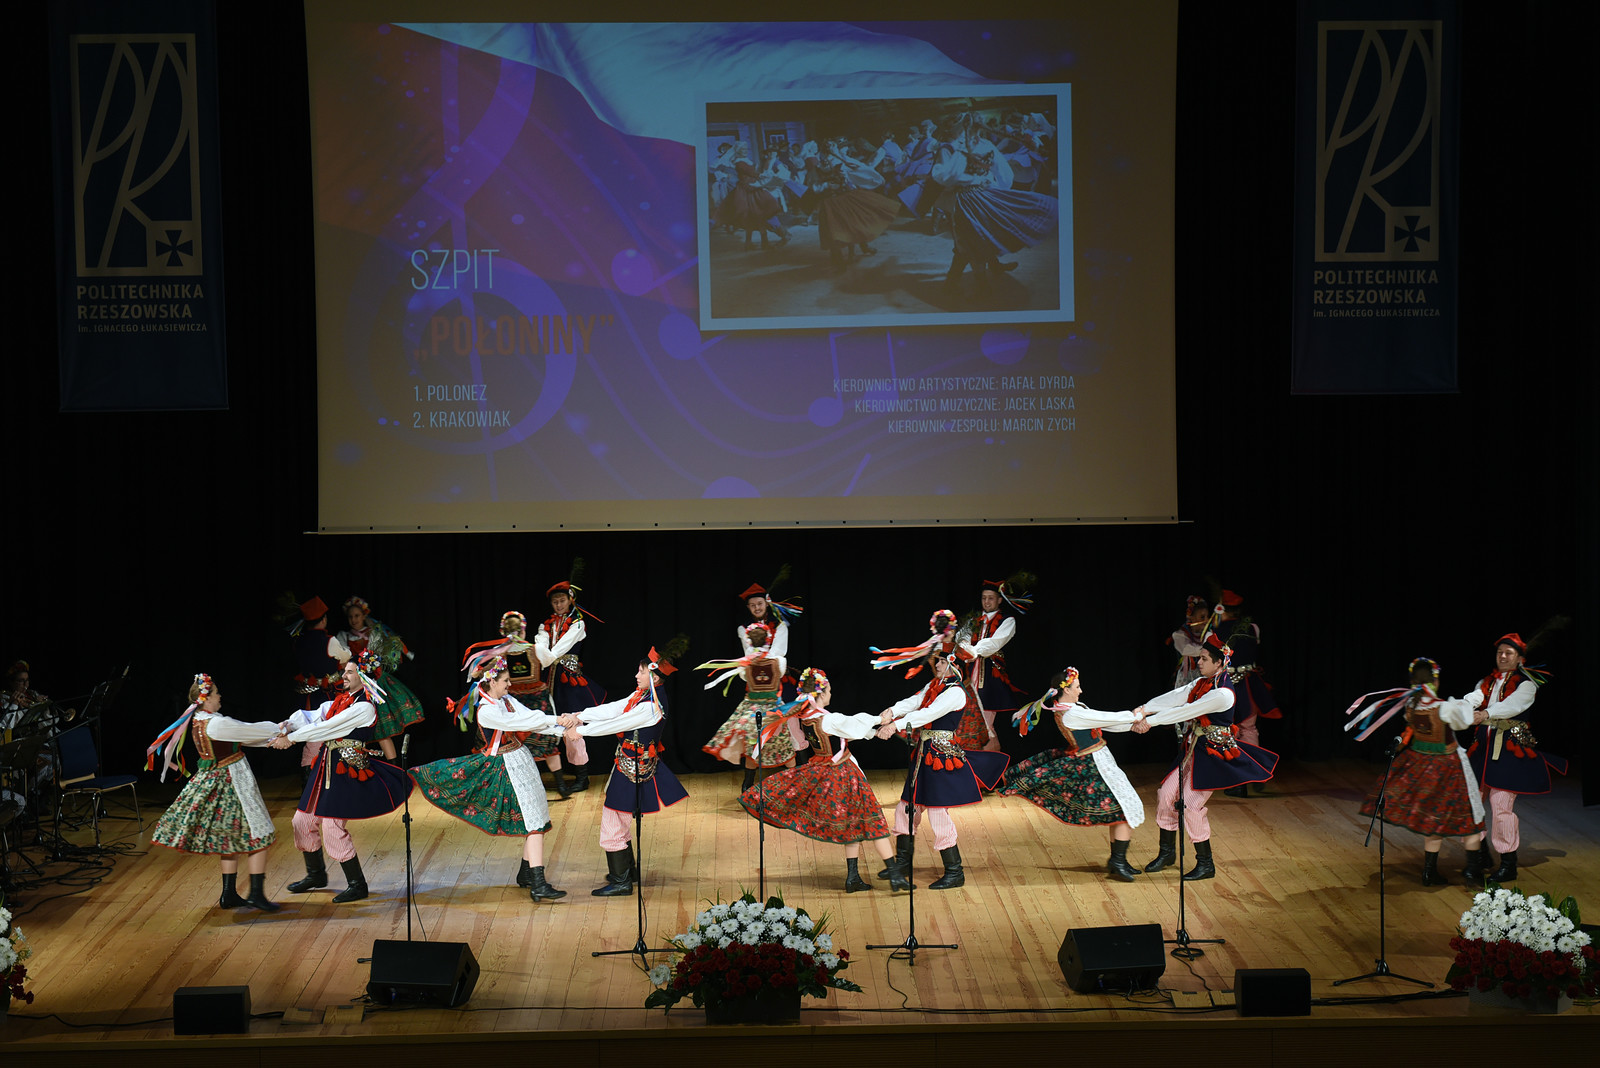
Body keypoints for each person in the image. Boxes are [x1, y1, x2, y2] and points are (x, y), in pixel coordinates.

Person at [737, 667, 911, 892]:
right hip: (844, 774)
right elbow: (853, 723)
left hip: (824, 771)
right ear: (820, 694)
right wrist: (880, 719)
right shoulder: (829, 719)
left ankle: (853, 877)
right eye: (828, 690)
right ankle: (894, 875)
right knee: (873, 820)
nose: (830, 693)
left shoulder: (807, 717)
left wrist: (872, 733)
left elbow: (842, 733)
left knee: (852, 825)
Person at [411, 654, 568, 902]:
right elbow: (520, 721)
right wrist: (557, 720)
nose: (510, 685)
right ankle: (538, 883)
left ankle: (526, 874)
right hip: (507, 767)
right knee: (534, 823)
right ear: (492, 682)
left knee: (537, 816)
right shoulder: (487, 711)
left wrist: (563, 727)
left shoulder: (506, 700)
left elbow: (531, 716)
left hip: (520, 760)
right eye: (505, 681)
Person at [1131, 634, 1279, 880]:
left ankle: (1205, 863)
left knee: (1190, 804)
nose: (1198, 662)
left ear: (1219, 662)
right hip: (1194, 749)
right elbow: (1178, 696)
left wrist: (1150, 722)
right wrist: (1145, 709)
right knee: (1165, 795)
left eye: (1204, 658)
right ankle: (1167, 853)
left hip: (1213, 755)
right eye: (1199, 657)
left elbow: (1187, 710)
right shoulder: (1203, 683)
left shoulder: (1222, 693)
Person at [146, 673, 288, 911]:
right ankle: (256, 894)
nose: (220, 696)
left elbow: (241, 737)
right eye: (217, 693)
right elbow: (248, 731)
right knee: (259, 833)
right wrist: (281, 728)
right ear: (206, 699)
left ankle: (229, 894)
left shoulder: (199, 720)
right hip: (232, 781)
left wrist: (272, 738)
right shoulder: (217, 724)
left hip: (216, 781)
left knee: (229, 838)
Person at [560, 645, 690, 897]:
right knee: (618, 816)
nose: (636, 676)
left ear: (654, 678)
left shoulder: (651, 706)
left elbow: (617, 723)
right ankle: (627, 871)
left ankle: (621, 881)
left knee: (612, 817)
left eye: (641, 672)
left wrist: (581, 730)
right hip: (628, 764)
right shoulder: (642, 696)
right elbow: (615, 708)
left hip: (634, 769)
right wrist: (580, 715)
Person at [280, 654, 412, 903]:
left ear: (364, 678)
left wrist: (291, 739)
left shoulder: (365, 707)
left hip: (345, 770)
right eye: (345, 672)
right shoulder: (341, 700)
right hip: (325, 767)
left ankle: (357, 884)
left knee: (332, 825)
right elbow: (312, 716)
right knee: (301, 820)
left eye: (350, 672)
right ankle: (316, 874)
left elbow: (327, 727)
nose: (344, 676)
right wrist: (286, 726)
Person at [873, 651, 1010, 889]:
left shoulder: (955, 693)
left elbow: (929, 712)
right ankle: (903, 863)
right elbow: (916, 701)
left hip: (941, 757)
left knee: (937, 813)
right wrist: (892, 711)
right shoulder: (935, 685)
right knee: (906, 808)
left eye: (943, 662)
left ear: (954, 667)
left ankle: (954, 871)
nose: (937, 665)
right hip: (925, 754)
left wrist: (895, 725)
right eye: (937, 661)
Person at [1441, 633, 1567, 883]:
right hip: (1482, 751)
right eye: (1500, 652)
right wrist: (1457, 709)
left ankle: (1508, 864)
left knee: (1500, 807)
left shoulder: (1526, 684)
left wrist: (1485, 714)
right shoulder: (1486, 682)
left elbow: (1512, 706)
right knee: (1471, 803)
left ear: (1520, 658)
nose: (1503, 656)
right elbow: (1473, 698)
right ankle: (1477, 858)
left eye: (1509, 653)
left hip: (1508, 752)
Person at [1349, 658, 1486, 886]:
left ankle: (1429, 872)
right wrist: (1471, 701)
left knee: (1434, 819)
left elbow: (1412, 729)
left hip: (1423, 769)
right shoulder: (1444, 707)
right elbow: (1463, 722)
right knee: (1471, 816)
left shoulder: (1411, 706)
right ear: (1435, 681)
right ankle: (1473, 871)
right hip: (1449, 769)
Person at [1004, 668, 1150, 882]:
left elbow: (1103, 723)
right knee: (1123, 810)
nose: (1080, 691)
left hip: (1100, 759)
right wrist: (1136, 716)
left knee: (1121, 811)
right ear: (1066, 690)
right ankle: (1118, 861)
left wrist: (1131, 726)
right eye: (1077, 687)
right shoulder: (1072, 713)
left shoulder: (1072, 709)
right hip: (1094, 765)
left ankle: (1118, 861)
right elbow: (1105, 717)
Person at [534, 579, 607, 794]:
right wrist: (543, 654)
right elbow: (540, 646)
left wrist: (547, 656)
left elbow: (557, 650)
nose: (558, 605)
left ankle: (582, 777)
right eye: (555, 602)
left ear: (570, 600)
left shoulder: (577, 623)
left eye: (562, 600)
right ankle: (549, 776)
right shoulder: (545, 625)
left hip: (569, 680)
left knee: (571, 727)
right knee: (543, 725)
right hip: (549, 679)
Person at [702, 625, 795, 786]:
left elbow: (744, 677)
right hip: (773, 710)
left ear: (749, 642)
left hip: (752, 710)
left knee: (753, 747)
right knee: (783, 744)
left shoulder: (745, 664)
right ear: (768, 640)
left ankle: (747, 784)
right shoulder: (779, 661)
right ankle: (794, 782)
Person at [336, 596, 423, 759]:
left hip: (374, 684)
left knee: (382, 728)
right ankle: (356, 764)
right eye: (350, 616)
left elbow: (376, 658)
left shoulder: (374, 634)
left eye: (357, 616)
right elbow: (343, 662)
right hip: (354, 686)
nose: (354, 620)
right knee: (354, 728)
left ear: (364, 616)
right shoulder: (344, 637)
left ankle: (394, 766)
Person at [958, 576, 1032, 753]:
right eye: (984, 598)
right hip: (970, 674)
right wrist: (965, 647)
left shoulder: (1007, 620)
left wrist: (973, 651)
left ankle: (991, 762)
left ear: (999, 600)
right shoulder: (974, 619)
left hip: (990, 677)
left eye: (991, 598)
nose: (986, 602)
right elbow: (962, 637)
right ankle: (978, 761)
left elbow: (994, 643)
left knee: (985, 723)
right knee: (968, 718)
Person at [1168, 595, 1212, 689]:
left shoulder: (1209, 634)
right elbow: (1187, 650)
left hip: (1205, 676)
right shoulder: (1180, 635)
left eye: (1207, 617)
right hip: (1186, 679)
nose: (1206, 620)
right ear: (1191, 618)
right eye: (1202, 617)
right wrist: (1208, 649)